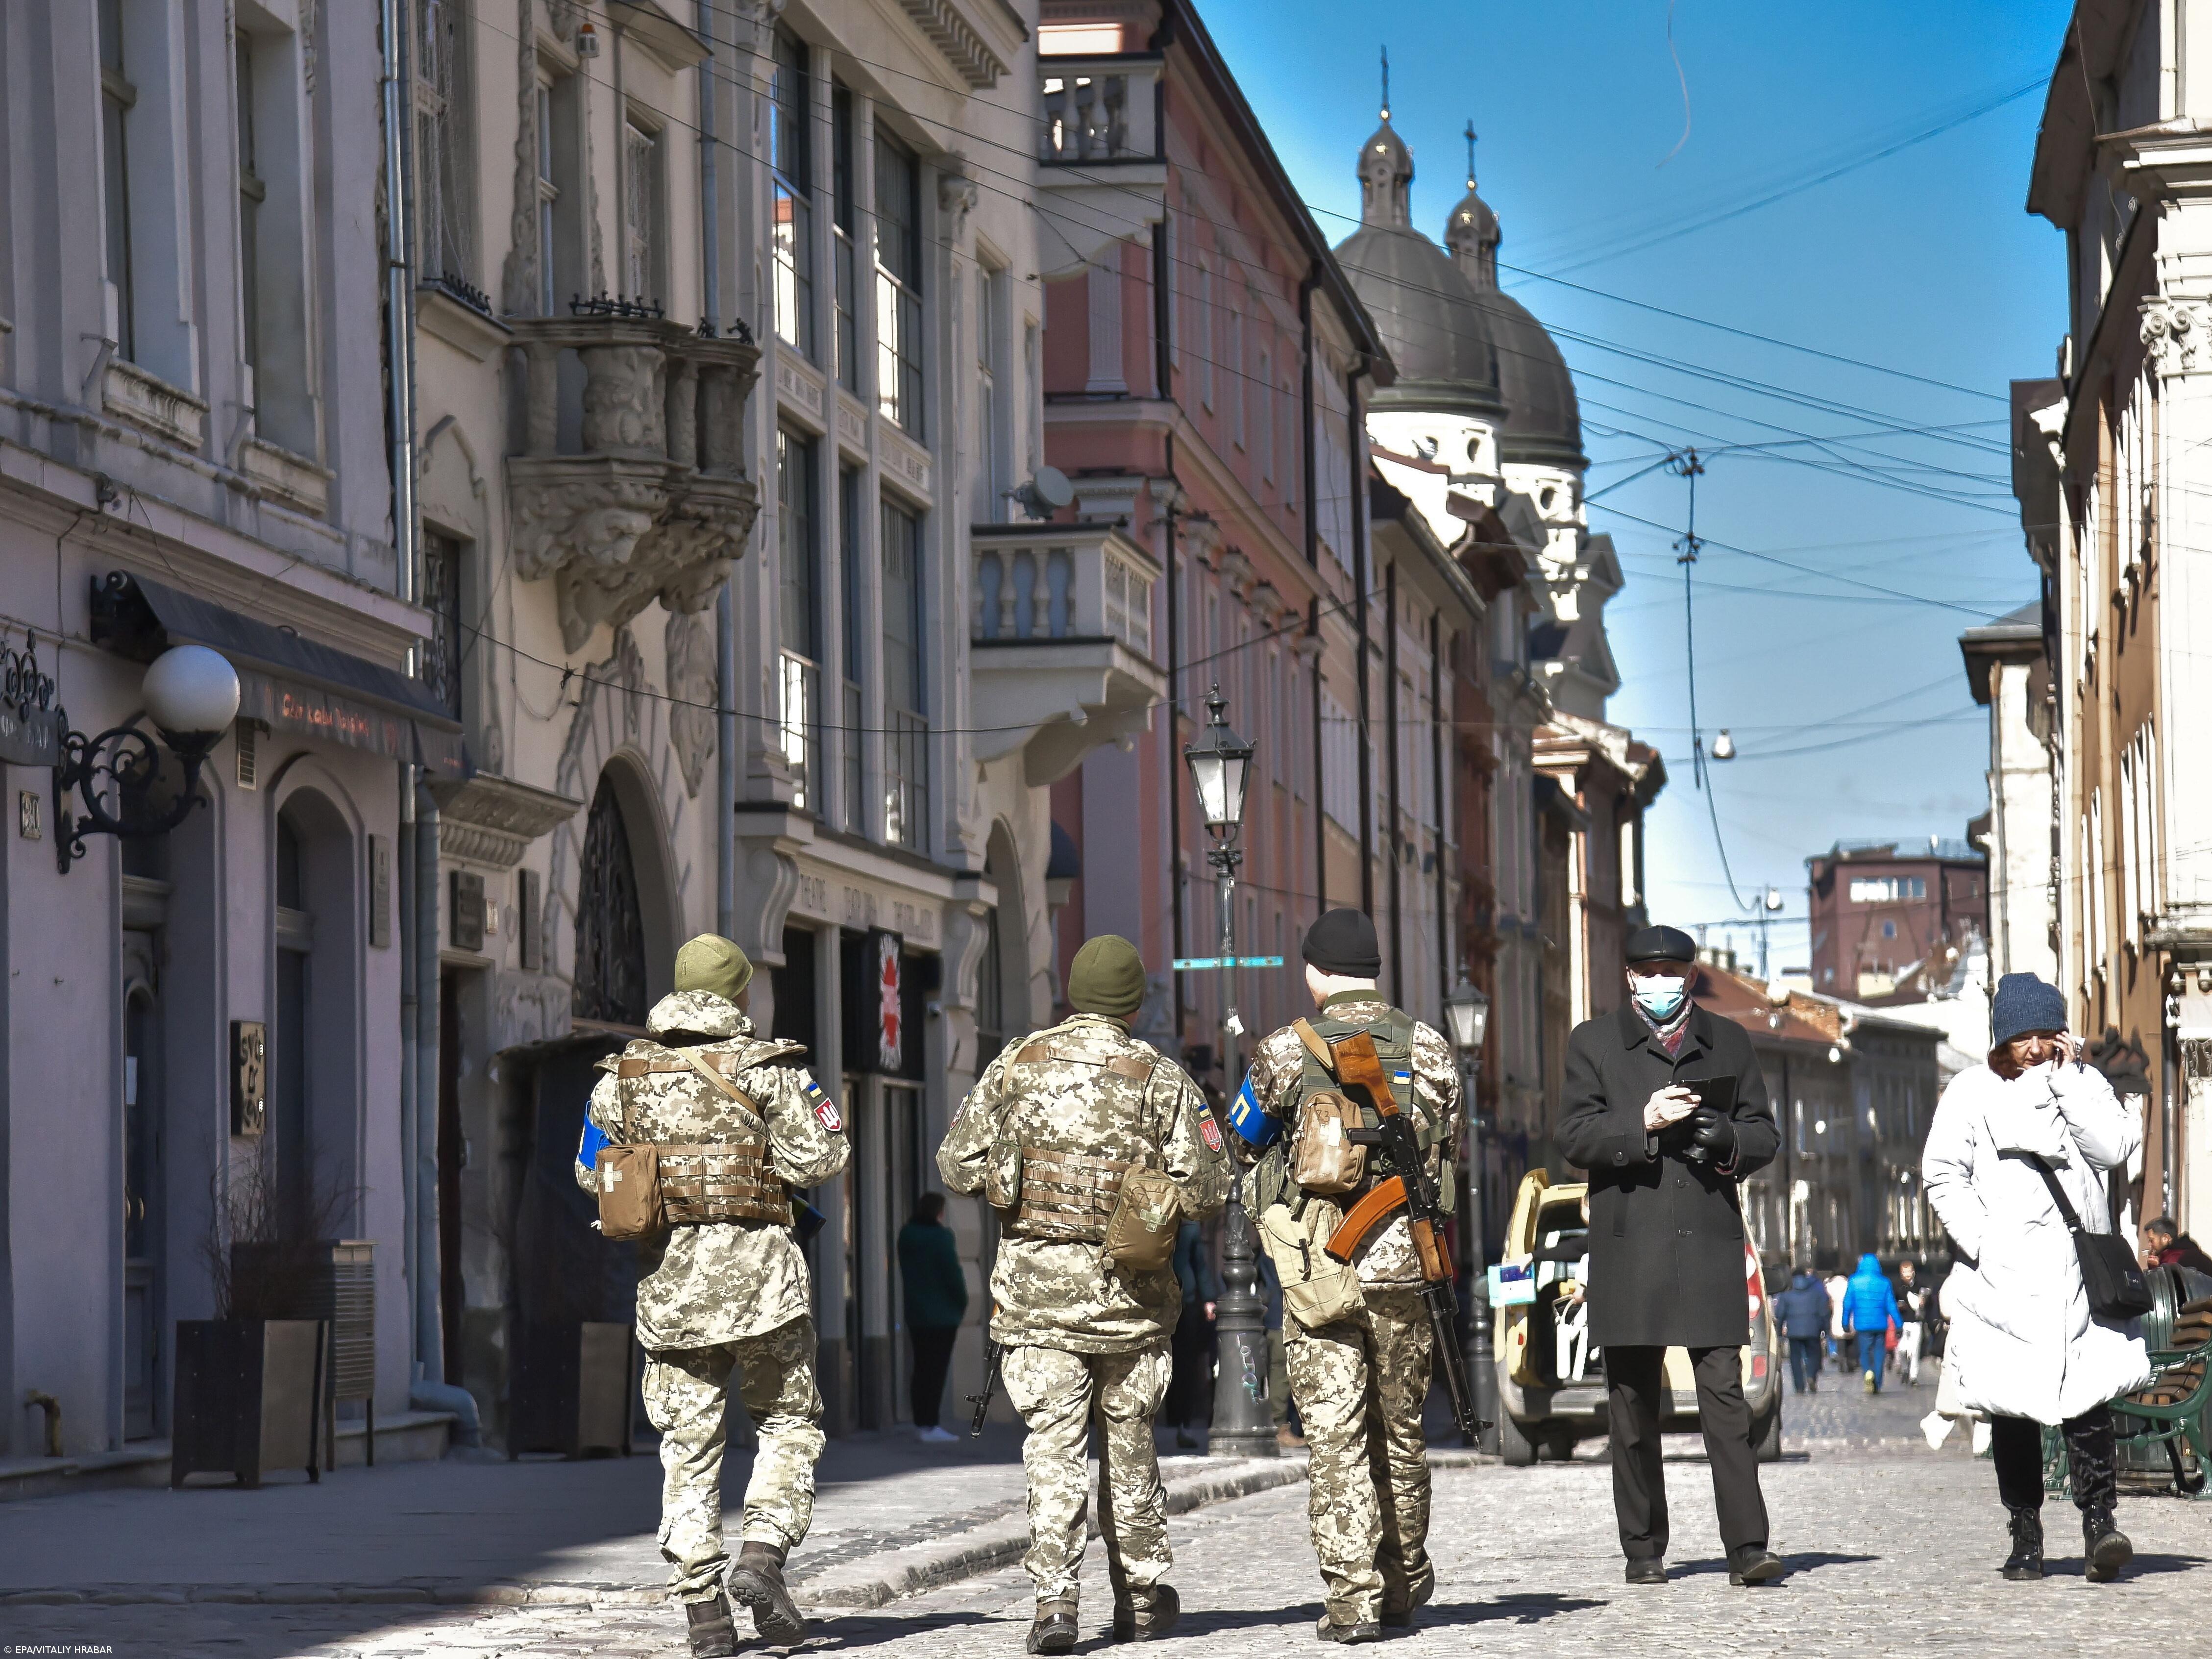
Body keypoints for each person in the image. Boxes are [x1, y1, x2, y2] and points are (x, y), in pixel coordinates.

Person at [936, 935, 1229, 1653]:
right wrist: (1143, 1194)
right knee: (1131, 1450)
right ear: (1131, 1004)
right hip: (1129, 1305)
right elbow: (1212, 1186)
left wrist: (1018, 1178)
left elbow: (956, 1161)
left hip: (1036, 1303)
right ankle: (1140, 1595)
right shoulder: (1158, 1078)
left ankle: (1055, 1604)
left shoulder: (1017, 1064)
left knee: (1053, 1451)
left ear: (1072, 993)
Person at [574, 935, 850, 1658]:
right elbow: (822, 1157)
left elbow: (588, 1174)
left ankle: (705, 1616)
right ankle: (762, 1553)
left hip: (672, 1289)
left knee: (687, 1449)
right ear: (738, 997)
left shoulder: (620, 1079)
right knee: (788, 1423)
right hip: (765, 1287)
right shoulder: (768, 1069)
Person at [1231, 907, 1462, 1642]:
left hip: (1318, 1272)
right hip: (1406, 1268)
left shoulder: (1281, 1052)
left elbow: (1242, 1143)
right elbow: (1445, 1151)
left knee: (1334, 1440)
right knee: (1399, 1433)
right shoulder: (1430, 1048)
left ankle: (1352, 1600)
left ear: (1314, 972)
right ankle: (1401, 1585)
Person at [1556, 924, 1786, 1589]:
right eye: (1645, 972)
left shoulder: (1729, 1040)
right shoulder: (1592, 1042)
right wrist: (1643, 1124)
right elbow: (1572, 1133)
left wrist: (1727, 1138)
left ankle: (1747, 1544)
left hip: (1708, 1242)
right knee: (1630, 1403)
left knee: (1724, 1400)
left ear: (1689, 977)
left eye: (1670, 972)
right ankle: (1642, 1545)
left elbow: (1764, 1133)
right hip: (1630, 1247)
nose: (1658, 983)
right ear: (1629, 978)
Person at [1922, 972, 2151, 1585]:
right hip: (2005, 1278)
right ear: (2001, 1038)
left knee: (2088, 1404)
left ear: (2059, 1032)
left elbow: (2113, 1148)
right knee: (2012, 1411)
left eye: (2042, 1032)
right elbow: (1942, 1173)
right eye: (2019, 1035)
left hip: (2079, 1275)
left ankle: (2100, 1524)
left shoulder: (2083, 1083)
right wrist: (1983, 1241)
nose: (2031, 1047)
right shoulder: (1970, 1092)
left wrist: (2073, 1081)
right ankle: (2024, 1534)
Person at [897, 1191, 969, 1443]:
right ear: (938, 1212)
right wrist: (962, 1303)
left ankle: (921, 1422)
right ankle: (931, 1424)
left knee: (920, 1368)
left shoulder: (907, 1236)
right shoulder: (941, 1238)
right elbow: (954, 1277)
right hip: (942, 1316)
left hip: (917, 1314)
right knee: (936, 1370)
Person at [1164, 1217, 1219, 1449]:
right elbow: (1199, 1264)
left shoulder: (1189, 1228)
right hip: (1174, 1301)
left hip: (1179, 1303)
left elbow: (1199, 1263)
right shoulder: (1189, 1226)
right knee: (1179, 1365)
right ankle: (1177, 1423)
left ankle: (1179, 1423)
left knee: (1182, 1366)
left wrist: (1208, 1298)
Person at [1841, 1254, 1901, 1394]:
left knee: (1865, 1352)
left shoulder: (1854, 1281)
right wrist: (1898, 1324)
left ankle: (1868, 1371)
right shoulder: (1885, 1282)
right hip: (1880, 1324)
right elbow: (1891, 1305)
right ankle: (1878, 1382)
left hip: (1862, 1325)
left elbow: (1847, 1304)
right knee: (1880, 1353)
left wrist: (1845, 1322)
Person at [1773, 1266, 1830, 1394]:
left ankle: (1799, 1386)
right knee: (1814, 1355)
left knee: (1795, 1359)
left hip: (1794, 1331)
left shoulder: (1787, 1293)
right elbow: (1824, 1311)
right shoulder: (1816, 1291)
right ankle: (1811, 1375)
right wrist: (1826, 1329)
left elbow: (1780, 1313)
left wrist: (1779, 1331)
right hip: (1813, 1330)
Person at [1896, 1261, 1930, 1387]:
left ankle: (1913, 1376)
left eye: (1908, 1272)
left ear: (1913, 1272)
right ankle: (1905, 1369)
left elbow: (1929, 1298)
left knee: (1915, 1350)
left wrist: (1924, 1301)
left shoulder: (1920, 1286)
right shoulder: (1899, 1288)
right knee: (1902, 1349)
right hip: (1903, 1323)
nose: (1906, 1275)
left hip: (1916, 1322)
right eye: (1904, 1272)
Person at [2142, 1215, 2212, 1276]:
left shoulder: (2176, 1258)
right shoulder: (2183, 1252)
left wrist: (2155, 1270)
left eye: (2152, 1241)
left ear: (2165, 1238)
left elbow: (2169, 1287)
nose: (2150, 1245)